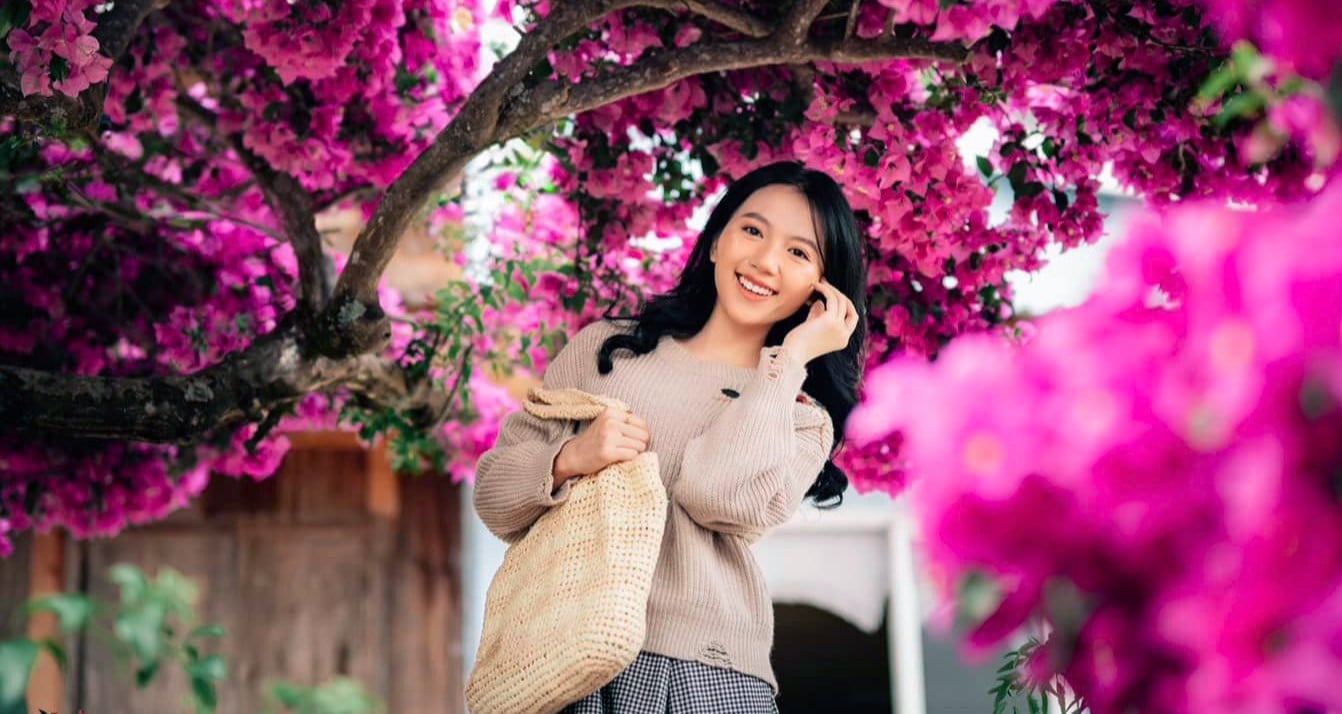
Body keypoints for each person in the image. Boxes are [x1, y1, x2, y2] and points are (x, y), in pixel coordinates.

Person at [473, 160, 868, 713]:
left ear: (818, 292)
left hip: (705, 673)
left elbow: (717, 495)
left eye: (799, 253)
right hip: (566, 655)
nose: (765, 261)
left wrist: (791, 359)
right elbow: (493, 496)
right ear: (714, 242)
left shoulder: (799, 413)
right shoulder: (607, 350)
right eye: (752, 231)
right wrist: (569, 458)